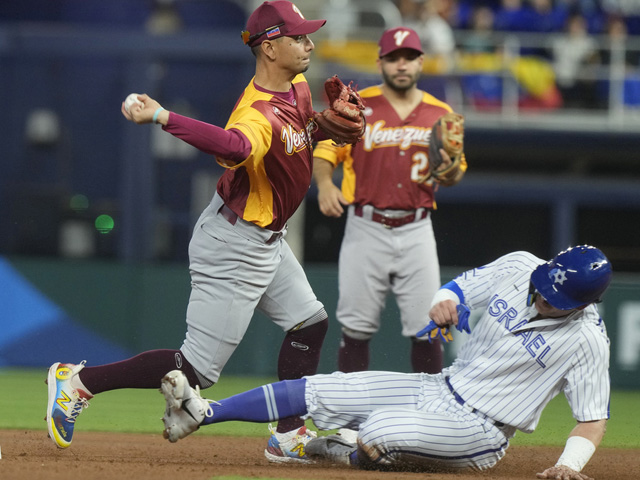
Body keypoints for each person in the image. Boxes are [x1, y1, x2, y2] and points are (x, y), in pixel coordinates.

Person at [46, 0, 330, 464]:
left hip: (267, 239)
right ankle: (77, 383)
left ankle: (288, 435)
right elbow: (234, 144)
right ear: (270, 47)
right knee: (194, 371)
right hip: (235, 243)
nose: (309, 42)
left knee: (310, 324)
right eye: (298, 37)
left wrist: (321, 130)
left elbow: (293, 143)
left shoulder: (297, 86)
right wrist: (162, 116)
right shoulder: (256, 114)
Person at [159, 244, 612, 480]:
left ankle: (332, 449)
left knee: (377, 434)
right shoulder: (521, 267)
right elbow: (458, 288)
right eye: (544, 286)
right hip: (440, 386)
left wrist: (569, 465)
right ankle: (200, 413)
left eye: (556, 300)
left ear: (583, 304)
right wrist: (442, 300)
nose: (542, 298)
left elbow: (592, 419)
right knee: (324, 388)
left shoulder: (587, 339)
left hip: (481, 431)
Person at [312, 27, 466, 376]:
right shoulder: (356, 105)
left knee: (428, 327)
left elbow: (454, 173)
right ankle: (350, 423)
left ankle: (429, 417)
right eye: (393, 58)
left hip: (416, 228)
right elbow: (325, 149)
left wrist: (451, 170)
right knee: (356, 328)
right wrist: (323, 184)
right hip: (366, 225)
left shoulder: (440, 112)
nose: (401, 65)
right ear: (380, 62)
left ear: (421, 62)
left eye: (409, 58)